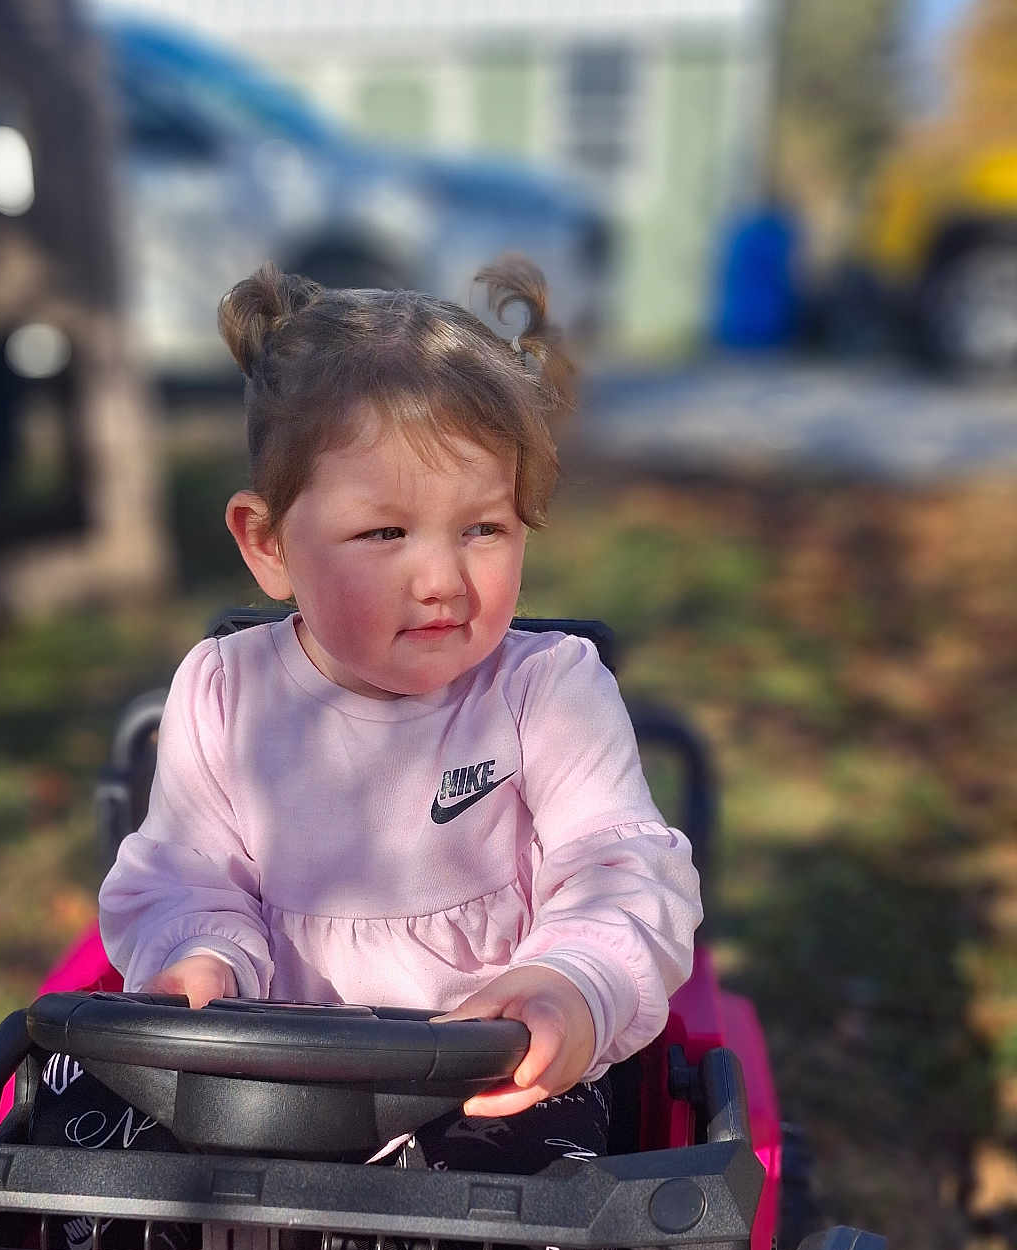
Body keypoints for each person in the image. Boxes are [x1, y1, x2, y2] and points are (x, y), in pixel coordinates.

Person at [36, 256, 702, 1186]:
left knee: (552, 1199)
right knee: (66, 1105)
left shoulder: (546, 690)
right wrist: (200, 956)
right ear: (269, 545)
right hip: (265, 1075)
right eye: (385, 534)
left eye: (484, 530)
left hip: (479, 1078)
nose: (440, 579)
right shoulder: (226, 692)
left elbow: (620, 871)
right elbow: (187, 873)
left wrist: (571, 986)